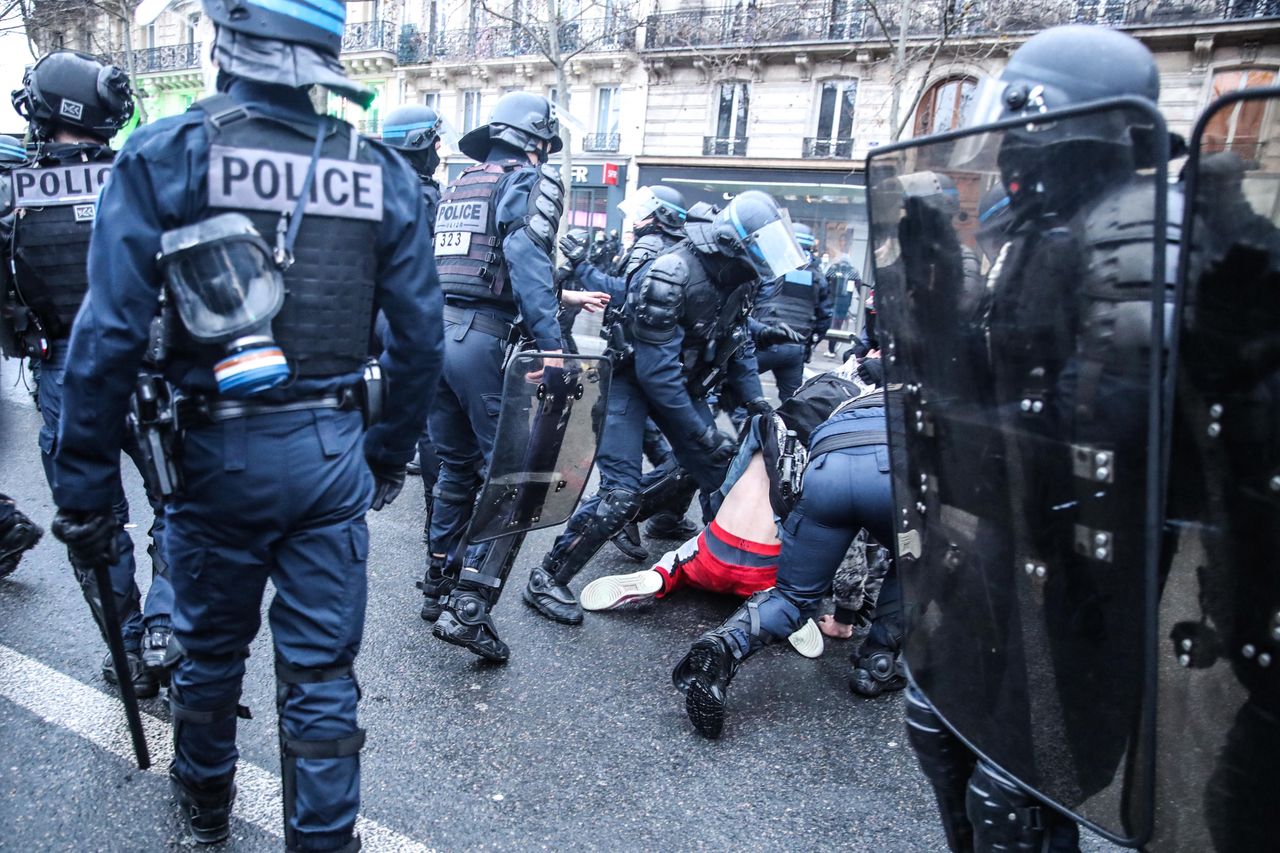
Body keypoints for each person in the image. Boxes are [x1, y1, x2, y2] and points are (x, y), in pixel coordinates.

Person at [46, 0, 443, 846]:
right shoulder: (381, 171)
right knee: (323, 672)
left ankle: (206, 811)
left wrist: (84, 488)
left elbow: (107, 337)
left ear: (229, 39)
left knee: (210, 655)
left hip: (212, 456)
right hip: (334, 450)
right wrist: (384, 454)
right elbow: (420, 338)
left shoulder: (168, 152)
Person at [874, 25, 1177, 850]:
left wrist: (994, 429)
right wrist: (928, 312)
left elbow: (1117, 420)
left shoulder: (1137, 226)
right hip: (1008, 531)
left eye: (1024, 141)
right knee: (936, 725)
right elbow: (991, 374)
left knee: (1023, 788)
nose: (1011, 162)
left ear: (1069, 139)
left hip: (1091, 559)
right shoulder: (1038, 236)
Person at [522, 191, 805, 625]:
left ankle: (722, 566)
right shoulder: (672, 272)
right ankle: (548, 576)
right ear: (734, 244)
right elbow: (656, 374)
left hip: (682, 381)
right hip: (630, 382)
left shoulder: (739, 276)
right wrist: (700, 432)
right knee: (619, 492)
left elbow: (739, 342)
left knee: (720, 473)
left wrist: (757, 404)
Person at [2, 49, 175, 697]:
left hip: (67, 376)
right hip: (149, 368)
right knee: (177, 506)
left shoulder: (12, 189)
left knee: (92, 519)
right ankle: (164, 628)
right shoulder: (146, 179)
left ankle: (129, 648)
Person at [672, 368, 900, 738]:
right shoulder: (950, 400)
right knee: (913, 564)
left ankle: (724, 645)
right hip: (892, 461)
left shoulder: (855, 395)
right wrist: (845, 615)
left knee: (792, 596)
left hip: (827, 462)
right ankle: (879, 661)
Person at [419, 90, 566, 663]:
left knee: (457, 467)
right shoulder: (527, 182)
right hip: (483, 340)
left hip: (437, 334)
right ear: (537, 143)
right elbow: (527, 261)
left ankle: (438, 583)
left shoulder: (461, 184)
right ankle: (470, 607)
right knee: (520, 477)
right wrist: (553, 349)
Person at [380, 103, 447, 542]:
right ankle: (436, 529)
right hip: (408, 314)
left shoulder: (369, 184)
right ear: (421, 142)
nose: (440, 149)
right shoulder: (423, 196)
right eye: (436, 140)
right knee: (431, 424)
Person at [748, 222, 834, 401]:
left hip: (765, 343)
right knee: (791, 403)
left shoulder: (770, 268)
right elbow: (824, 318)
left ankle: (746, 426)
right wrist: (809, 343)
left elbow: (750, 302)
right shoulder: (816, 276)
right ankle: (786, 429)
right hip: (796, 349)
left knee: (735, 385)